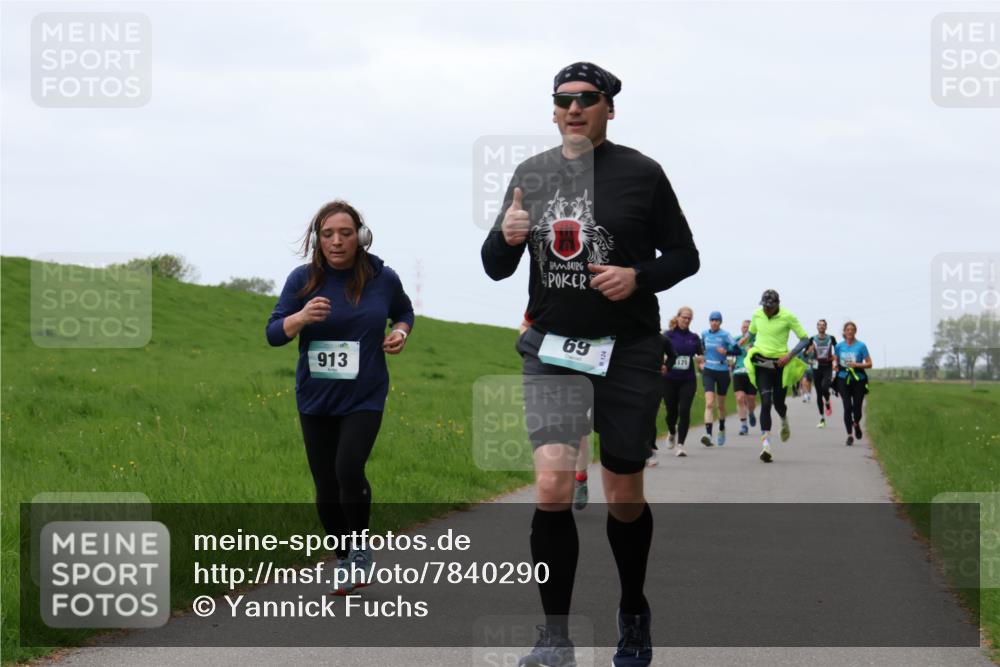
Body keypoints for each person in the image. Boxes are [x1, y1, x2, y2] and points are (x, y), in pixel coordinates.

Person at [481, 61, 699, 667]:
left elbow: (686, 256)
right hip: (553, 348)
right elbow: (495, 265)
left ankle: (633, 612)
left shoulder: (643, 174)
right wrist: (508, 235)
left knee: (623, 492)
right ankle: (555, 636)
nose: (574, 108)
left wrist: (638, 276)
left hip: (627, 349)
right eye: (563, 99)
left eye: (587, 98)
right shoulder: (532, 174)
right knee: (552, 484)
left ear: (609, 107)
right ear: (553, 110)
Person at [266, 200, 414, 595]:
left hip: (365, 394)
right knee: (325, 484)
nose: (336, 241)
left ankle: (361, 549)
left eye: (345, 233)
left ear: (360, 236)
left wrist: (400, 332)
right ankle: (345, 557)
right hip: (315, 396)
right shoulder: (302, 279)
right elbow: (273, 332)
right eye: (328, 234)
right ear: (318, 239)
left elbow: (404, 311)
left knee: (348, 468)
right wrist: (299, 318)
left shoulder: (383, 278)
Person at [521, 313, 592, 507]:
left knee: (581, 433)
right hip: (550, 375)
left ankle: (581, 477)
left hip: (587, 372)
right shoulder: (549, 296)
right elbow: (525, 325)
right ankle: (560, 486)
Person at [739, 290, 810, 463]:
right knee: (765, 402)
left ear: (778, 304)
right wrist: (745, 339)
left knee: (778, 403)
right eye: (764, 306)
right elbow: (753, 332)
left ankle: (784, 420)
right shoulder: (757, 314)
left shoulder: (788, 316)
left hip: (780, 364)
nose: (766, 310)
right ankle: (766, 447)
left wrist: (790, 355)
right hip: (762, 364)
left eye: (770, 307)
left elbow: (804, 339)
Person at [661, 307, 703, 458]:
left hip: (688, 380)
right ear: (678, 317)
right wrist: (663, 363)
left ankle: (681, 445)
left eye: (689, 318)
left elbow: (700, 354)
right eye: (684, 317)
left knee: (684, 411)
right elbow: (660, 353)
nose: (686, 320)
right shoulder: (668, 336)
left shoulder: (694, 337)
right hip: (669, 380)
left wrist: (701, 361)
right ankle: (672, 431)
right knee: (671, 413)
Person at [698, 311, 739, 447]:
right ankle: (708, 434)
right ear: (709, 321)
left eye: (717, 320)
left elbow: (738, 351)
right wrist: (700, 359)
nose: (714, 322)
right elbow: (701, 348)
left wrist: (727, 352)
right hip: (708, 370)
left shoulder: (725, 335)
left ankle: (721, 428)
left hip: (722, 371)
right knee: (709, 403)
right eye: (712, 320)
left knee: (720, 405)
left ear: (720, 322)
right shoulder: (704, 334)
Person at [834, 321, 872, 446]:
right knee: (847, 407)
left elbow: (870, 363)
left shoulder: (861, 346)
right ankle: (849, 435)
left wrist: (857, 364)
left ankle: (856, 423)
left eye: (852, 329)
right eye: (847, 329)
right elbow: (836, 360)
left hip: (858, 379)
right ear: (844, 332)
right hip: (843, 378)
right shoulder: (839, 346)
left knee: (857, 408)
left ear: (855, 331)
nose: (850, 331)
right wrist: (835, 366)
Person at [806, 319, 837, 428]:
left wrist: (835, 357)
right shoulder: (812, 339)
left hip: (827, 366)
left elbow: (837, 350)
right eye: (819, 325)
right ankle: (822, 418)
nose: (821, 327)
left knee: (825, 387)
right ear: (817, 327)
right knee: (819, 393)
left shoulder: (831, 338)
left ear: (826, 327)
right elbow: (805, 354)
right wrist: (809, 351)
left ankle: (827, 401)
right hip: (816, 367)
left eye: (823, 325)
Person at [732, 319, 757, 436]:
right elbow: (730, 350)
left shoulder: (756, 340)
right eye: (743, 327)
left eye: (747, 327)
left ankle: (751, 412)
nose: (745, 329)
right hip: (738, 372)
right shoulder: (737, 339)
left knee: (751, 398)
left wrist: (752, 350)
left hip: (751, 373)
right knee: (740, 398)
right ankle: (743, 425)